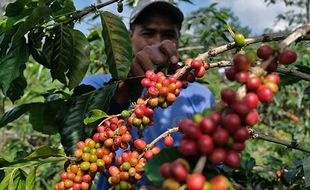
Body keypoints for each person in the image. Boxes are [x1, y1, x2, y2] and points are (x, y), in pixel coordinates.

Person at [80, 0, 215, 189]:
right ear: (129, 36)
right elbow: (79, 133)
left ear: (178, 39)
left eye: (168, 34)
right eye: (148, 32)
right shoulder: (97, 86)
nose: (158, 41)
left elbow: (212, 162)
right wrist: (126, 87)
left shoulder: (201, 96)